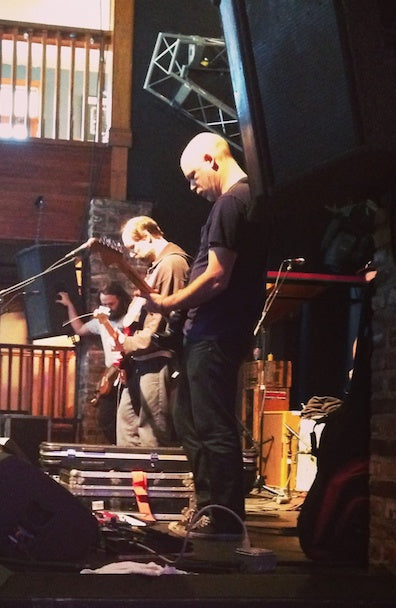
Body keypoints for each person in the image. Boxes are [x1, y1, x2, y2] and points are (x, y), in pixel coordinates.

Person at [141, 132, 267, 539]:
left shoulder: (232, 201)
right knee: (191, 422)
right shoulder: (240, 201)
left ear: (212, 159)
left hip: (216, 332)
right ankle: (211, 509)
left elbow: (216, 276)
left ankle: (226, 520)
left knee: (212, 427)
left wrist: (171, 303)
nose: (193, 187)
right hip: (208, 333)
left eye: (193, 176)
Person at [115, 216, 189, 447]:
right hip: (143, 360)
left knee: (151, 437)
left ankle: (154, 483)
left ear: (147, 236)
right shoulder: (157, 267)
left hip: (157, 359)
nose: (132, 254)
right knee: (127, 430)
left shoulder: (172, 264)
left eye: (134, 247)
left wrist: (125, 344)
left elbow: (162, 325)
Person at [57, 281, 131, 444]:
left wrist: (104, 322)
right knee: (106, 419)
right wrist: (69, 304)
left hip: (128, 370)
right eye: (104, 304)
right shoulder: (102, 320)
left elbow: (120, 343)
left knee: (127, 420)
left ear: (121, 300)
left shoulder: (129, 319)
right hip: (111, 373)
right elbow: (80, 329)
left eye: (111, 304)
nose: (108, 308)